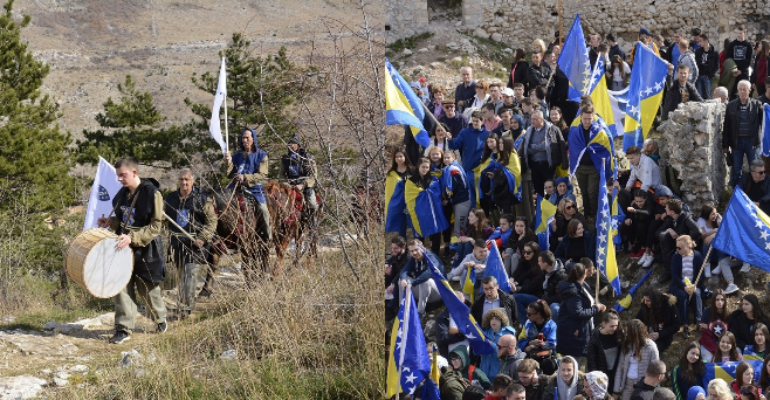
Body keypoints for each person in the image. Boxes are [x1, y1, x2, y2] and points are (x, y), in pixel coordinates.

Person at [97, 157, 167, 344]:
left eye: (123, 175)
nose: (119, 179)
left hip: (146, 248)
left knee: (148, 289)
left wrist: (133, 238)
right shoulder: (121, 195)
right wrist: (110, 223)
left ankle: (160, 319)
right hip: (122, 247)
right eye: (118, 175)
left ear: (134, 172)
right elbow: (122, 222)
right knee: (121, 286)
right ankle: (123, 328)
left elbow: (155, 227)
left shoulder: (153, 194)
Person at [163, 168, 217, 318]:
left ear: (192, 181)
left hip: (195, 244)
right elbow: (162, 217)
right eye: (181, 179)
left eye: (187, 179)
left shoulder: (202, 198)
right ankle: (182, 304)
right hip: (177, 243)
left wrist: (204, 237)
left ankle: (185, 309)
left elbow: (212, 221)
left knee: (190, 275)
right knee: (181, 276)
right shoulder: (170, 198)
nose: (184, 182)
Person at [556, 263, 606, 366]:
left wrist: (597, 305)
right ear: (584, 274)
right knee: (573, 365)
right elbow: (577, 313)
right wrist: (596, 309)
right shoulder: (573, 291)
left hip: (582, 331)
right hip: (574, 334)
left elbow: (588, 302)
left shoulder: (582, 286)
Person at [226, 127, 271, 240]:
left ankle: (267, 236)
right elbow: (230, 174)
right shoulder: (237, 155)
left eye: (247, 138)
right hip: (236, 188)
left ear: (253, 139)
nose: (244, 140)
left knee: (263, 209)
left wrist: (245, 177)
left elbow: (262, 174)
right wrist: (229, 163)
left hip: (254, 188)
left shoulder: (261, 155)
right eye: (243, 138)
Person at [723, 80, 765, 186]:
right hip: (736, 143)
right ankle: (737, 194)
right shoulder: (731, 106)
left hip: (752, 142)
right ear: (737, 91)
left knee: (755, 169)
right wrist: (725, 144)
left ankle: (755, 192)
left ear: (749, 91)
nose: (742, 92)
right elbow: (726, 126)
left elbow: (764, 124)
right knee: (737, 170)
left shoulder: (757, 105)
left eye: (744, 89)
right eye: (740, 89)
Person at [518, 110, 567, 199]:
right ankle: (540, 210)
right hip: (535, 165)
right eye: (531, 119)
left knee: (550, 188)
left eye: (535, 119)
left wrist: (535, 147)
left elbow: (558, 146)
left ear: (541, 119)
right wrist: (540, 146)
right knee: (538, 189)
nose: (532, 121)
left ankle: (552, 208)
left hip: (548, 165)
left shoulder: (552, 129)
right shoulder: (529, 131)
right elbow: (527, 148)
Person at [655, 199, 701, 284]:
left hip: (687, 246)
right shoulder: (669, 218)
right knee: (663, 236)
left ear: (672, 211)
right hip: (675, 244)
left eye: (667, 208)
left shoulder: (686, 217)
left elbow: (697, 231)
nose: (665, 208)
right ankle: (668, 271)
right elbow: (658, 233)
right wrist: (669, 229)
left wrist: (684, 240)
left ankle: (673, 271)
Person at [448, 110, 490, 206]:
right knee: (471, 198)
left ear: (482, 121)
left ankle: (482, 217)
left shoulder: (487, 134)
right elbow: (454, 145)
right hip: (469, 170)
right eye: (473, 121)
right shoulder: (465, 132)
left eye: (477, 121)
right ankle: (473, 218)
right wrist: (450, 140)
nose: (475, 123)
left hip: (482, 170)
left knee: (481, 196)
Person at [511, 251, 566, 323]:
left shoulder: (562, 276)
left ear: (545, 263)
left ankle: (553, 331)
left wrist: (545, 301)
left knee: (555, 308)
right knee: (514, 298)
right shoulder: (542, 271)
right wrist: (517, 289)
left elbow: (561, 297)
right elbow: (533, 286)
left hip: (550, 302)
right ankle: (529, 325)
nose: (538, 263)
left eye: (539, 261)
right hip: (540, 299)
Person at [670, 235, 705, 338]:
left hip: (694, 284)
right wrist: (684, 287)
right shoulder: (676, 256)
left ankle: (699, 321)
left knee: (697, 294)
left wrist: (695, 285)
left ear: (688, 247)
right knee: (682, 296)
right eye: (677, 247)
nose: (677, 249)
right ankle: (684, 323)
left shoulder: (698, 256)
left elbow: (701, 275)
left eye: (679, 247)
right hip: (679, 285)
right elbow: (675, 276)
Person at [398, 239, 444, 317]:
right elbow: (404, 271)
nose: (414, 253)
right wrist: (403, 279)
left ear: (422, 248)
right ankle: (403, 310)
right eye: (412, 251)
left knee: (426, 281)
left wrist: (413, 283)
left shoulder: (431, 257)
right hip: (423, 291)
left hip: (438, 292)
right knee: (401, 280)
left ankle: (420, 312)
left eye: (416, 250)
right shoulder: (413, 259)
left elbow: (429, 273)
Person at [279, 134, 318, 219]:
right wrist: (287, 185)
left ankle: (313, 227)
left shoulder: (309, 157)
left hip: (305, 187)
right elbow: (281, 175)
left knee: (313, 205)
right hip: (290, 187)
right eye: (290, 143)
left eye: (293, 143)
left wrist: (303, 185)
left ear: (298, 145)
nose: (291, 145)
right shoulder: (285, 158)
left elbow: (313, 175)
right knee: (278, 204)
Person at [449, 208, 494, 277]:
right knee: (462, 244)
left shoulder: (487, 230)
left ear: (478, 218)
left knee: (468, 244)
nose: (468, 218)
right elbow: (466, 236)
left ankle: (465, 269)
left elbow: (484, 246)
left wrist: (470, 239)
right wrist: (462, 238)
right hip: (473, 249)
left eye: (471, 216)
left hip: (482, 252)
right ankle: (455, 267)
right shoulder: (471, 226)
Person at [588, 310, 624, 393]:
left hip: (616, 374)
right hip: (601, 376)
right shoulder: (595, 339)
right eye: (611, 326)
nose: (614, 329)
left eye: (616, 326)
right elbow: (592, 361)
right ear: (604, 324)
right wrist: (596, 378)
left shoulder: (619, 336)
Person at [636, 287, 680, 353]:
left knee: (651, 350)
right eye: (645, 300)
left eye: (648, 301)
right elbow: (637, 321)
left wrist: (660, 334)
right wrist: (644, 332)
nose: (645, 303)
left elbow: (676, 325)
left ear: (654, 301)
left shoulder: (669, 306)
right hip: (647, 333)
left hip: (663, 336)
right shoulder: (645, 306)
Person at [442, 150, 471, 242]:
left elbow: (453, 186)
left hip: (462, 200)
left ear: (454, 158)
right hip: (458, 200)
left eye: (448, 157)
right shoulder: (449, 168)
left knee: (459, 228)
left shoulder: (453, 169)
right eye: (444, 158)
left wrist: (447, 198)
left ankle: (462, 250)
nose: (446, 159)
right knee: (459, 227)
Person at [480, 308, 517, 379]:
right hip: (484, 373)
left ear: (502, 320)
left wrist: (492, 344)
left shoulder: (508, 334)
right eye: (492, 318)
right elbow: (476, 352)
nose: (494, 321)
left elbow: (507, 353)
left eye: (497, 319)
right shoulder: (484, 333)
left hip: (499, 372)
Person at [385, 148, 413, 238]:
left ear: (405, 157)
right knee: (401, 230)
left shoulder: (412, 170)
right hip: (398, 205)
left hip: (411, 203)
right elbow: (389, 191)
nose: (399, 158)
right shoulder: (391, 173)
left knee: (415, 228)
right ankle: (403, 251)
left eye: (401, 156)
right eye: (396, 157)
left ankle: (416, 250)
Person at [434, 290, 471, 359]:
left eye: (463, 303)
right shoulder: (442, 317)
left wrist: (458, 331)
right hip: (449, 359)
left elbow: (474, 332)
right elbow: (443, 339)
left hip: (468, 359)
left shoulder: (470, 315)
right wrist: (462, 335)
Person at [621, 189, 655, 260]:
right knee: (624, 225)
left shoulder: (649, 204)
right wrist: (629, 219)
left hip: (646, 228)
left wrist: (635, 210)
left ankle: (643, 247)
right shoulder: (634, 205)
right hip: (636, 227)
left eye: (641, 201)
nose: (639, 204)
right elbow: (631, 216)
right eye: (637, 201)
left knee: (640, 226)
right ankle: (633, 243)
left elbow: (648, 213)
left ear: (645, 199)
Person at [699, 289, 731, 362]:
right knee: (709, 360)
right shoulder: (707, 312)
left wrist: (723, 348)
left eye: (722, 300)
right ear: (713, 301)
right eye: (717, 300)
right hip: (708, 343)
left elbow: (730, 335)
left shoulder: (729, 314)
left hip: (725, 344)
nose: (720, 302)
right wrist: (717, 351)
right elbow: (705, 335)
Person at [726, 26, 753, 99]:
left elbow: (749, 60)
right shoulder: (732, 44)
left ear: (745, 33)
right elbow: (729, 58)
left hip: (744, 73)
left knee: (745, 92)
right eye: (737, 33)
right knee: (733, 94)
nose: (738, 35)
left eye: (740, 33)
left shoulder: (748, 45)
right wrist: (734, 70)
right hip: (734, 73)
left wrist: (741, 70)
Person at [695, 34, 720, 99]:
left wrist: (710, 75)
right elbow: (696, 63)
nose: (699, 43)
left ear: (706, 41)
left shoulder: (714, 52)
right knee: (699, 96)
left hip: (708, 77)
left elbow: (716, 65)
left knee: (708, 96)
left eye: (701, 41)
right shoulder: (698, 51)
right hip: (699, 76)